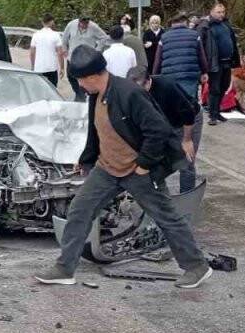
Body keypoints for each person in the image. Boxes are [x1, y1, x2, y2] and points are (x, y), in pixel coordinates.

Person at [34, 46, 211, 289]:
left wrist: (144, 165)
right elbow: (97, 132)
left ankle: (196, 266)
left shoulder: (129, 93)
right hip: (107, 169)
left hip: (137, 170)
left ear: (92, 76)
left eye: (81, 81)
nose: (81, 87)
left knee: (166, 217)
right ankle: (64, 268)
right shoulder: (96, 95)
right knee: (79, 210)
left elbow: (158, 130)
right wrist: (86, 158)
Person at [152, 13, 208, 192]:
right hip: (189, 81)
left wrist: (155, 78)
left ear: (171, 23)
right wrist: (204, 71)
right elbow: (202, 56)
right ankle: (187, 192)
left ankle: (160, 191)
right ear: (185, 23)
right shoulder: (194, 35)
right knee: (189, 108)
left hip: (169, 80)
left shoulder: (164, 37)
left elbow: (157, 60)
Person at [127, 66, 200, 182]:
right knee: (157, 157)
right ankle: (154, 189)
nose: (137, 93)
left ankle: (187, 194)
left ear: (148, 81)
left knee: (186, 160)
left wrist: (187, 140)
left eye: (140, 89)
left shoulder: (166, 86)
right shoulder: (132, 92)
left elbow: (188, 112)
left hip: (187, 119)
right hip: (165, 122)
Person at [199, 2, 239, 125]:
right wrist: (203, 65)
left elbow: (232, 40)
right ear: (211, 12)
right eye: (218, 12)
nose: (221, 14)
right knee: (214, 89)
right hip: (214, 62)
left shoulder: (226, 25)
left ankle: (217, 111)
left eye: (223, 12)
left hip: (227, 61)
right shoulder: (206, 26)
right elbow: (200, 45)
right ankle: (212, 115)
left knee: (224, 86)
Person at [61, 16, 110, 101]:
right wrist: (64, 49)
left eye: (87, 23)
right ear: (79, 22)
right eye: (83, 24)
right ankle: (78, 93)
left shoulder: (93, 27)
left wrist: (97, 50)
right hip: (72, 57)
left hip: (87, 59)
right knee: (71, 77)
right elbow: (64, 38)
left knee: (85, 78)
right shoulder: (71, 25)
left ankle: (82, 96)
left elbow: (104, 37)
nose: (85, 25)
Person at [29, 14, 65, 86]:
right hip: (52, 67)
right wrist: (62, 67)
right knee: (52, 90)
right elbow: (60, 53)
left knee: (40, 90)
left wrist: (33, 66)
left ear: (42, 22)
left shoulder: (36, 35)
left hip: (39, 68)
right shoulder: (56, 35)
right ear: (52, 22)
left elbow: (32, 52)